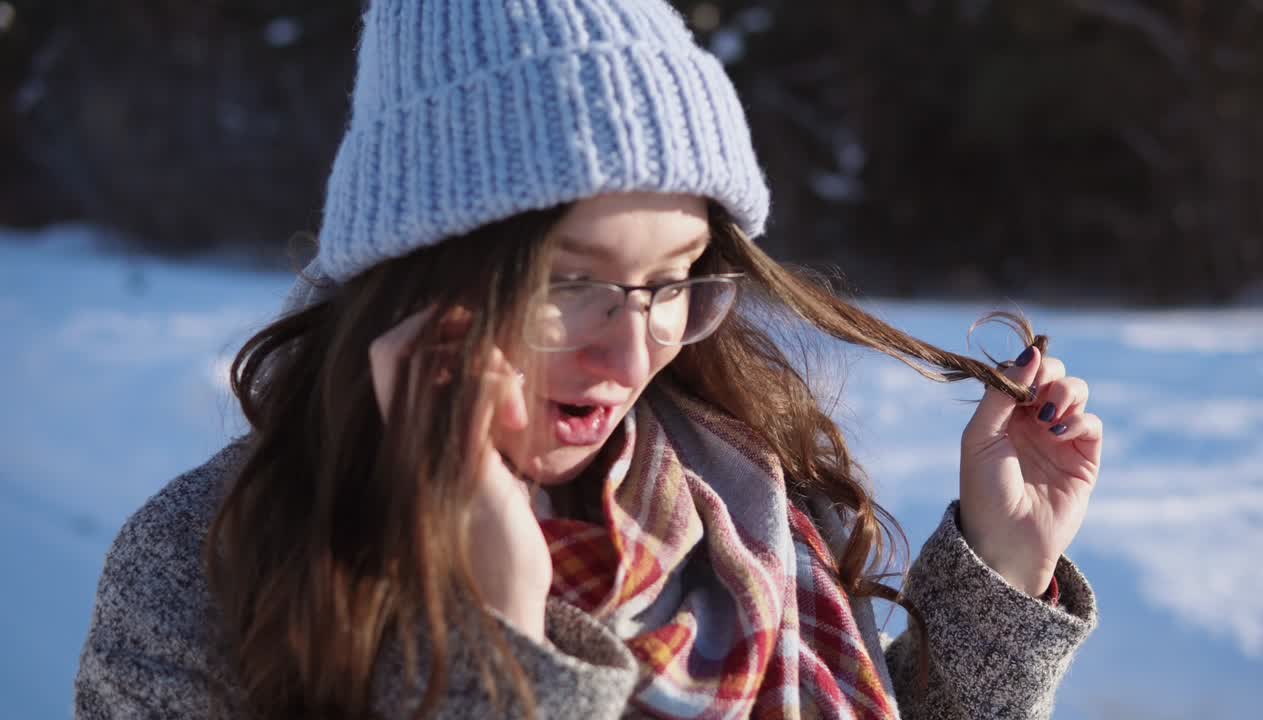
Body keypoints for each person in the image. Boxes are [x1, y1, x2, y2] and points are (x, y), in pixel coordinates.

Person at [74, 1, 1100, 718]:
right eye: (569, 284)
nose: (631, 346)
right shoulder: (205, 571)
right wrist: (494, 638)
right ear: (413, 276)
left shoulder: (745, 499)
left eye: (675, 278)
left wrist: (1004, 567)